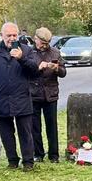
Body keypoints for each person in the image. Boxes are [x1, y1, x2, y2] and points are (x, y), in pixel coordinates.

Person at [0, 22, 37, 170]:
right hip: (1, 99)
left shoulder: (26, 50)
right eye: (9, 35)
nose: (12, 38)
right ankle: (12, 160)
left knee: (25, 132)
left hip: (22, 98)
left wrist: (21, 58)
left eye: (14, 35)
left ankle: (28, 162)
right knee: (6, 133)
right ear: (2, 36)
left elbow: (34, 70)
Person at [27, 27, 66, 163]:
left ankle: (54, 155)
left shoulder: (55, 52)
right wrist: (39, 68)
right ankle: (38, 154)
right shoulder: (28, 52)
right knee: (35, 127)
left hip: (51, 94)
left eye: (46, 43)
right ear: (35, 38)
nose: (44, 46)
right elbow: (26, 72)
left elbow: (63, 72)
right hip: (34, 94)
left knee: (52, 126)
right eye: (42, 42)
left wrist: (57, 68)